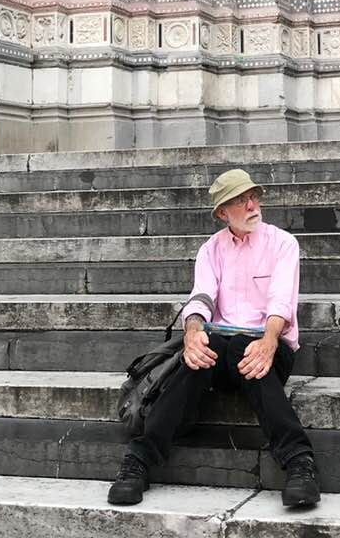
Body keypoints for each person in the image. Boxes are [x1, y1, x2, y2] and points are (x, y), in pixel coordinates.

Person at [107, 168, 321, 508]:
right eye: (240, 201)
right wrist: (192, 333)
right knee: (201, 350)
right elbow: (202, 296)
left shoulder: (282, 243)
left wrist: (267, 342)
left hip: (269, 346)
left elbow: (281, 301)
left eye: (253, 196)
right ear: (223, 213)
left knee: (242, 346)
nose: (251, 204)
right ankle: (138, 460)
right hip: (222, 350)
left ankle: (299, 463)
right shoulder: (211, 250)